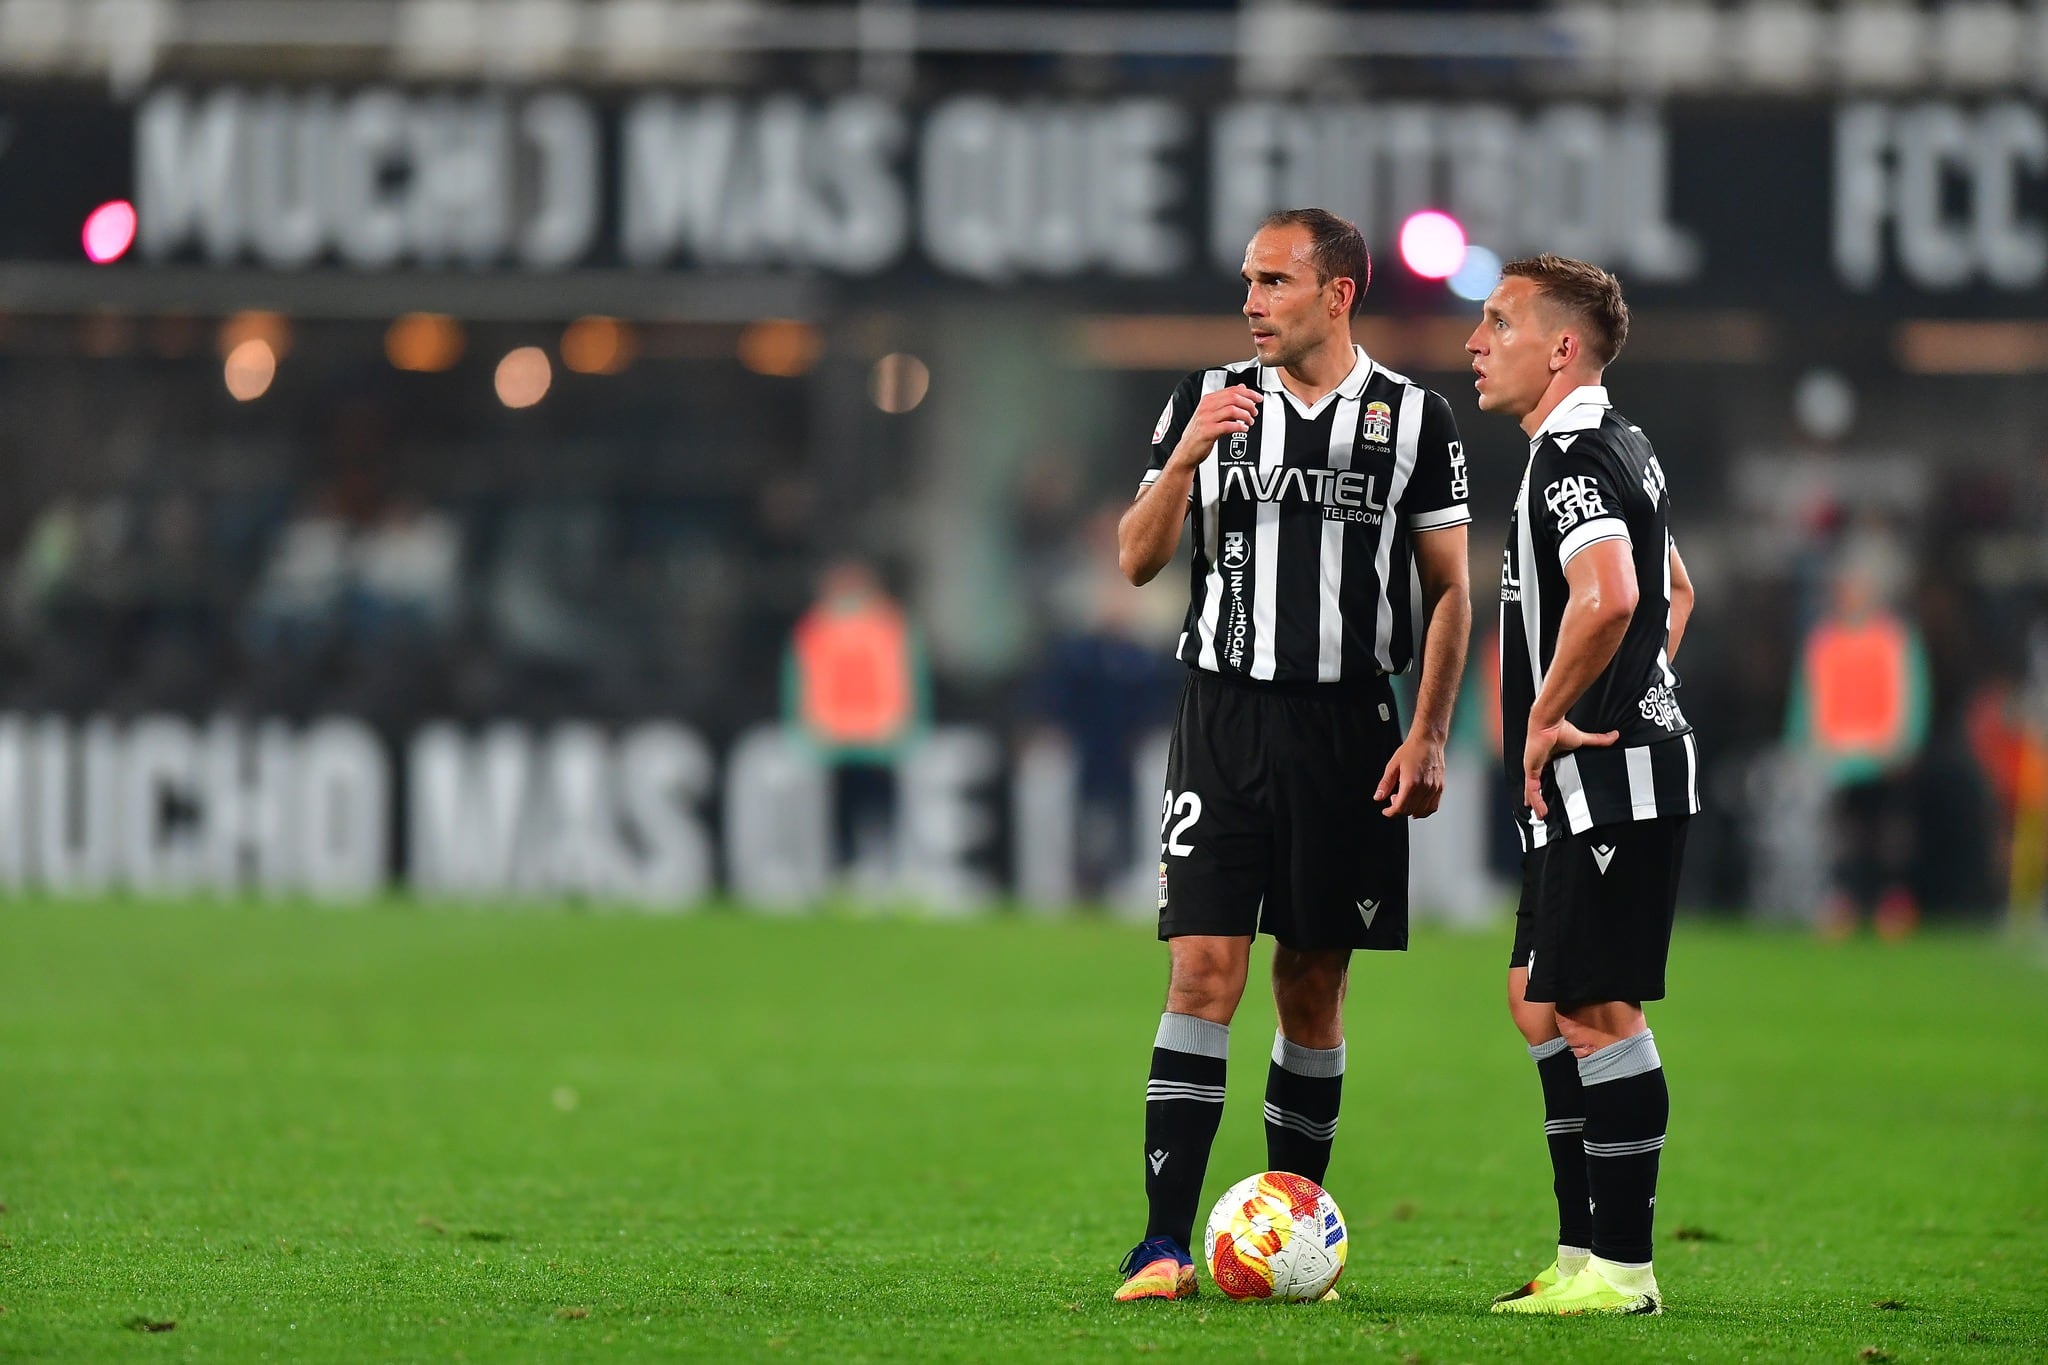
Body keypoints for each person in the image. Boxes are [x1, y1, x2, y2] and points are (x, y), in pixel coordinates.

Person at [1110, 208, 1472, 1301]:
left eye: (1272, 281)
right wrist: (1181, 460)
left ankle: (1291, 1228)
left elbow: (1449, 587)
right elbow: (1135, 561)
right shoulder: (1204, 400)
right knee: (1200, 968)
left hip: (1348, 729)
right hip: (1222, 720)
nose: (1250, 301)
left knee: (1310, 986)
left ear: (1336, 293)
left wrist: (1427, 729)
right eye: (1246, 282)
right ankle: (1163, 1242)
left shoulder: (1414, 420)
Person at [1465, 255, 1700, 1317]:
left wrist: (1550, 713)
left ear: (1559, 348)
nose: (1476, 342)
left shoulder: (1569, 454)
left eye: (1498, 322)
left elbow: (1608, 596)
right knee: (1537, 1001)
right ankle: (1576, 1258)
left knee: (1597, 1008)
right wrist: (1642, 685)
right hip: (1597, 769)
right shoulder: (1619, 443)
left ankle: (1624, 1271)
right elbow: (1672, 588)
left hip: (1600, 774)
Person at [1784, 550, 1930, 939]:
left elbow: (1911, 694)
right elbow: (1806, 698)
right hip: (1836, 761)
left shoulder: (1894, 639)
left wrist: (1904, 743)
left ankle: (1891, 903)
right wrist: (1802, 744)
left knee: (1887, 834)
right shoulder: (1824, 641)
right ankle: (1843, 902)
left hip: (1883, 758)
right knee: (1842, 837)